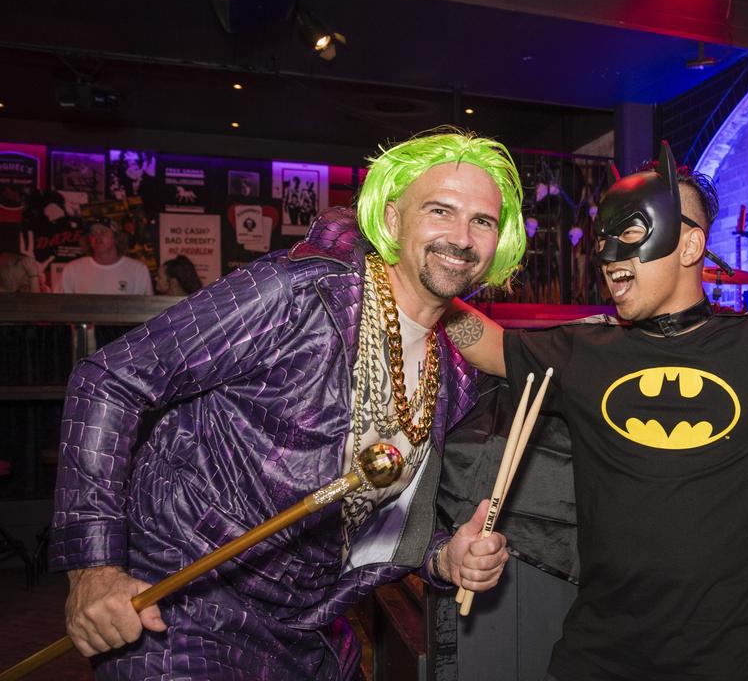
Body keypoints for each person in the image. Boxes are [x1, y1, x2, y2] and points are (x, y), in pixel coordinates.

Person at [51, 130, 528, 680]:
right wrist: (93, 569)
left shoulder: (455, 372)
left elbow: (378, 513)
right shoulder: (294, 294)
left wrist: (445, 557)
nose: (462, 237)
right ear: (393, 220)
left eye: (482, 221)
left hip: (309, 627)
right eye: (441, 210)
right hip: (182, 606)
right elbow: (110, 377)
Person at [442, 145, 748, 681]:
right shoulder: (585, 353)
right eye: (603, 239)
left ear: (690, 243)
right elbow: (487, 344)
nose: (609, 256)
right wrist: (426, 278)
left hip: (727, 667)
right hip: (595, 661)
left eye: (630, 235)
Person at [58, 220, 153, 295]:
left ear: (116, 238)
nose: (97, 237)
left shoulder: (138, 270)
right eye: (93, 233)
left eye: (103, 232)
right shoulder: (72, 269)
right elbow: (58, 307)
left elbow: (147, 312)